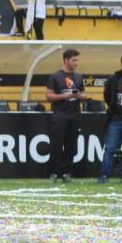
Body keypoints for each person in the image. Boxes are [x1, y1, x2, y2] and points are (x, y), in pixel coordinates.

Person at [45, 48, 86, 182]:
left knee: (71, 145)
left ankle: (67, 173)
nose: (76, 63)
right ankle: (54, 172)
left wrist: (78, 95)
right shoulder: (55, 77)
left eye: (77, 60)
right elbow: (48, 96)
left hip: (75, 116)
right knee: (56, 144)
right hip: (60, 116)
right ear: (65, 60)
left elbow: (84, 95)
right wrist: (66, 95)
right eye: (74, 60)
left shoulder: (79, 77)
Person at [100, 53, 122, 183]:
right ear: (121, 65)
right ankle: (104, 176)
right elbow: (107, 97)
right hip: (115, 120)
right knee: (109, 149)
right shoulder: (113, 79)